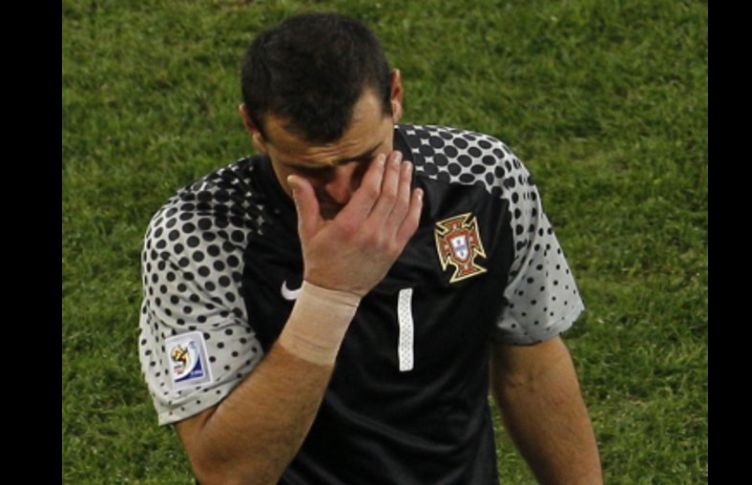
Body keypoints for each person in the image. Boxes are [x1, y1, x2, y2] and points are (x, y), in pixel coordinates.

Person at [138, 12, 603, 485]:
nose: (344, 193)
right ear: (253, 129)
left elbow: (533, 369)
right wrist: (328, 292)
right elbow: (229, 471)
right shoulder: (197, 239)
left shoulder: (485, 181)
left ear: (395, 97)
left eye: (364, 160)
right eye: (311, 170)